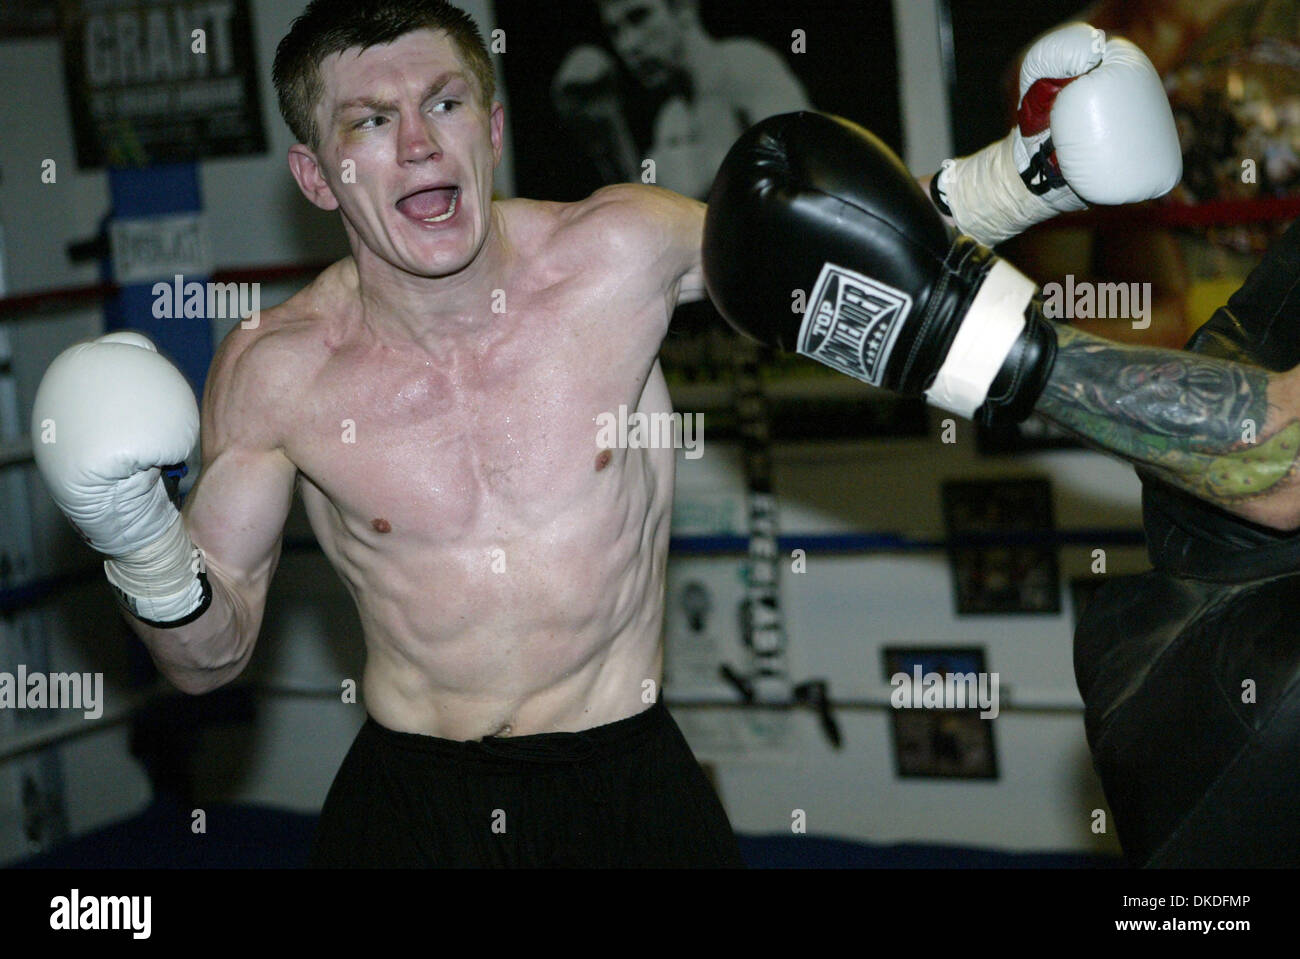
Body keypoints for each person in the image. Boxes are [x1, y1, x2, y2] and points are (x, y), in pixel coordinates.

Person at [28, 2, 1178, 867]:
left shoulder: (614, 251)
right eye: (369, 123)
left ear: (491, 125)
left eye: (443, 104)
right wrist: (137, 536)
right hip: (414, 797)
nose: (418, 144)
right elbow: (208, 655)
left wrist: (1024, 178)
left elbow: (813, 232)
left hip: (627, 775)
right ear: (317, 174)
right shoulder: (275, 369)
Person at [552, 0, 811, 198]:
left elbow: (806, 170)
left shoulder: (745, 66)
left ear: (683, 8)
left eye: (639, 17)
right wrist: (607, 132)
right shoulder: (670, 120)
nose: (628, 45)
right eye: (615, 31)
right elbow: (642, 210)